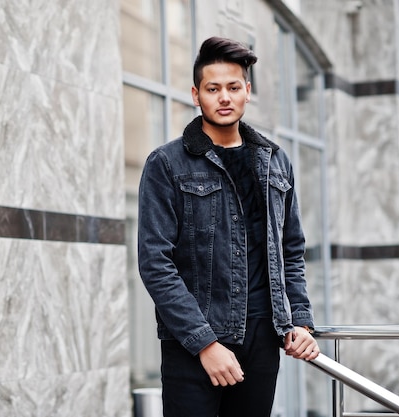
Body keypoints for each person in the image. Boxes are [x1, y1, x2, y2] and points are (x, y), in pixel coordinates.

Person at [137, 36, 320, 417]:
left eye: (233, 87)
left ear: (247, 92)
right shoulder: (167, 164)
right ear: (195, 94)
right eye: (213, 88)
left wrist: (300, 320)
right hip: (194, 345)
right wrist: (205, 343)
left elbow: (291, 250)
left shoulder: (275, 161)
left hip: (262, 340)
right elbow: (155, 263)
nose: (224, 97)